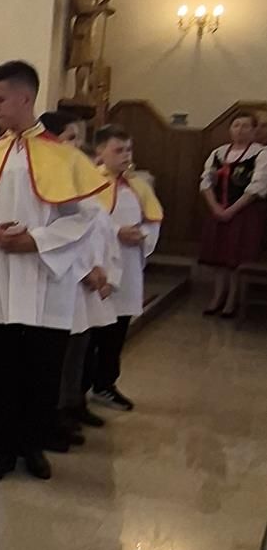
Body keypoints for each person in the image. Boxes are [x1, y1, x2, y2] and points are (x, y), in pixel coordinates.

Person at [0, 59, 105, 483]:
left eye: (0, 100)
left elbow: (85, 217)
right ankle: (3, 449)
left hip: (44, 278)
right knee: (2, 369)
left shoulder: (65, 157)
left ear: (25, 98)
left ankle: (33, 447)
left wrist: (37, 240)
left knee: (43, 368)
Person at [40, 109, 115, 444]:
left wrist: (102, 268)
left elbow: (98, 227)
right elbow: (62, 232)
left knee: (80, 346)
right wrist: (86, 269)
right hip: (65, 276)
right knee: (59, 352)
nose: (77, 144)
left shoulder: (78, 172)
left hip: (88, 275)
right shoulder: (48, 177)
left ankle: (74, 403)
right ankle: (54, 413)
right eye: (70, 137)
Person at [86, 124, 163, 408]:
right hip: (98, 267)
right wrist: (117, 231)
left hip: (128, 266)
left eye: (129, 149)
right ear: (100, 151)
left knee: (117, 332)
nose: (125, 155)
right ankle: (78, 390)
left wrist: (142, 235)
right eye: (118, 150)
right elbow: (86, 222)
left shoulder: (138, 186)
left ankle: (105, 384)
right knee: (92, 333)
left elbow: (153, 220)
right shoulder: (89, 183)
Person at [197, 111, 267, 317]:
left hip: (245, 212)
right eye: (236, 125)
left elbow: (258, 186)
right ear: (230, 129)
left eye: (246, 126)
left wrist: (232, 210)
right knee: (219, 256)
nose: (240, 130)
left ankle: (232, 300)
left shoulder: (261, 154)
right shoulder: (218, 153)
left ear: (254, 130)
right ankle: (217, 296)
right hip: (219, 210)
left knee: (236, 256)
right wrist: (215, 207)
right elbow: (206, 182)